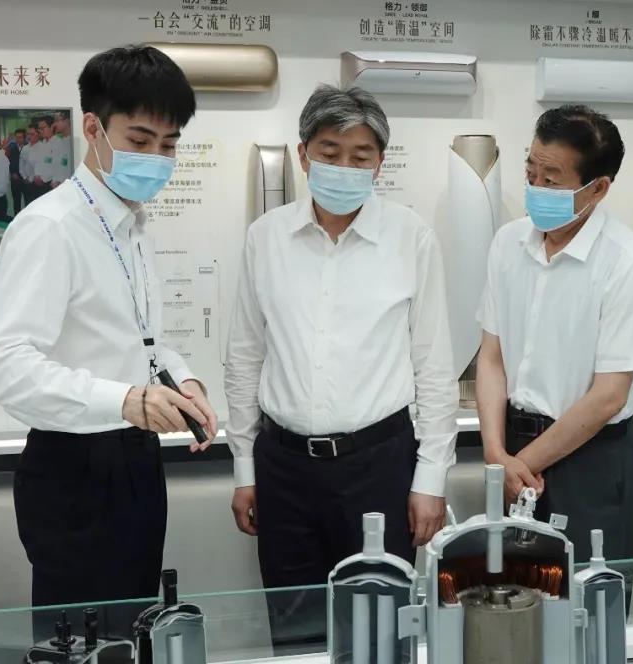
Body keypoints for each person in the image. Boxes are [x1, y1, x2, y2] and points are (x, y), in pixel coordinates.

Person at [0, 44, 216, 639]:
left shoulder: (132, 223)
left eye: (169, 145)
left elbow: (142, 340)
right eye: (139, 140)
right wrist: (125, 400)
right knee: (79, 643)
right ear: (92, 129)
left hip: (135, 460)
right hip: (74, 468)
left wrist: (183, 379)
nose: (156, 159)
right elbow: (3, 365)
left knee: (132, 631)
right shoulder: (50, 227)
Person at [225, 84, 457, 650]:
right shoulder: (265, 238)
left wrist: (430, 480)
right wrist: (244, 469)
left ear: (380, 162)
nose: (345, 167)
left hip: (379, 466)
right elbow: (244, 357)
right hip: (283, 467)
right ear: (303, 155)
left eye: (361, 156)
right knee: (295, 630)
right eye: (330, 153)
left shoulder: (411, 237)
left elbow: (433, 367)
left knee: (380, 633)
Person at [475, 105, 633, 585]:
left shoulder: (628, 262)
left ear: (598, 188)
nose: (536, 188)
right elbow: (491, 358)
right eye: (530, 174)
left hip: (590, 459)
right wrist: (495, 453)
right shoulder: (507, 244)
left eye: (552, 181)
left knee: (588, 604)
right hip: (510, 448)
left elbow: (608, 396)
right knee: (509, 601)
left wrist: (519, 467)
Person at [30, 115, 57, 198]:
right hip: (38, 183)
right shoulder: (43, 143)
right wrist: (37, 175)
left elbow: (58, 166)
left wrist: (43, 178)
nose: (40, 131)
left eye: (43, 128)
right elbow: (38, 163)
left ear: (52, 127)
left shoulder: (59, 143)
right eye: (39, 129)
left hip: (51, 184)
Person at [49, 110, 73, 187]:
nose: (54, 124)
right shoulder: (58, 142)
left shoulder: (73, 142)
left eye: (57, 121)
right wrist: (55, 180)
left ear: (67, 121)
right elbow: (56, 164)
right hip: (57, 184)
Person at [19, 124, 41, 206]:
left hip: (38, 183)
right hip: (26, 182)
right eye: (28, 134)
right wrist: (24, 177)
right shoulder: (25, 148)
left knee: (37, 206)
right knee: (27, 204)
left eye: (32, 134)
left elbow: (41, 167)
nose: (29, 136)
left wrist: (31, 179)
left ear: (38, 134)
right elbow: (21, 164)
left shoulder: (43, 147)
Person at [7, 128, 26, 215]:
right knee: (16, 200)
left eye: (20, 137)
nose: (18, 139)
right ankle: (16, 217)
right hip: (14, 178)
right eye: (17, 137)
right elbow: (9, 162)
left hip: (26, 179)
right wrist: (12, 173)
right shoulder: (11, 148)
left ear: (24, 138)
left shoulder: (28, 147)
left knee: (27, 200)